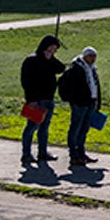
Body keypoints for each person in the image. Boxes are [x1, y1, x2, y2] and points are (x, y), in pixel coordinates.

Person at [19, 35, 64, 165]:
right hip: (36, 99)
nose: (52, 52)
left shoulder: (50, 60)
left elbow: (61, 68)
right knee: (31, 127)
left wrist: (51, 58)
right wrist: (31, 99)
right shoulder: (31, 60)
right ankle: (26, 153)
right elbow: (26, 81)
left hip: (49, 98)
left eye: (55, 51)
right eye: (51, 49)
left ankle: (42, 152)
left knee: (44, 127)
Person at [59, 46, 103, 167]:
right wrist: (73, 100)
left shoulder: (93, 69)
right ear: (84, 56)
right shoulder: (76, 69)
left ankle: (81, 153)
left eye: (94, 56)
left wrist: (97, 103)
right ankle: (73, 155)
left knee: (84, 129)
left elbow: (96, 86)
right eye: (90, 56)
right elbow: (66, 84)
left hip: (91, 102)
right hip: (80, 103)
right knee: (76, 128)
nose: (92, 58)